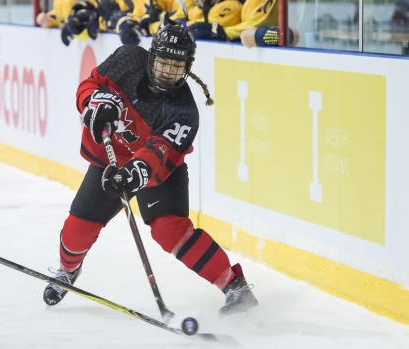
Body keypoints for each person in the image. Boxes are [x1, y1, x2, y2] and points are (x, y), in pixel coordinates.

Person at [42, 24, 259, 317]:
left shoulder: (183, 112)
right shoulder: (127, 60)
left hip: (158, 171)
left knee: (169, 230)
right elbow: (89, 84)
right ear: (151, 57)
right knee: (77, 229)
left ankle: (236, 287)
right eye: (164, 62)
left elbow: (159, 154)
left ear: (187, 67)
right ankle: (67, 272)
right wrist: (94, 103)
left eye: (177, 65)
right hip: (110, 161)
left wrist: (133, 173)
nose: (169, 70)